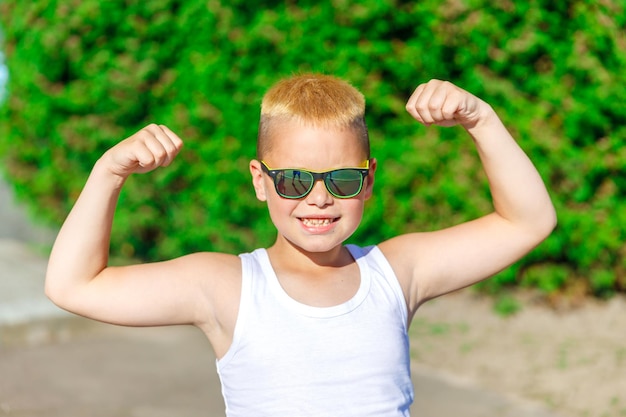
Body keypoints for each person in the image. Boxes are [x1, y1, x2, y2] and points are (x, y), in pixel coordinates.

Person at [45, 73, 556, 416]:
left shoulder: (396, 273)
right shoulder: (226, 286)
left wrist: (481, 120)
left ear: (369, 179)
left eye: (342, 180)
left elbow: (528, 222)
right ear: (260, 180)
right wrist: (108, 171)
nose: (318, 199)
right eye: (292, 179)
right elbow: (74, 285)